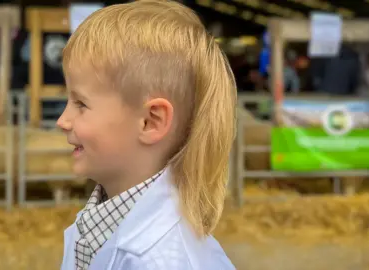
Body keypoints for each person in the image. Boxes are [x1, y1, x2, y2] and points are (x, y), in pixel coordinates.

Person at [56, 1, 236, 269]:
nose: (63, 121)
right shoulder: (100, 223)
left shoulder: (161, 261)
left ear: (150, 121)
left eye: (81, 104)